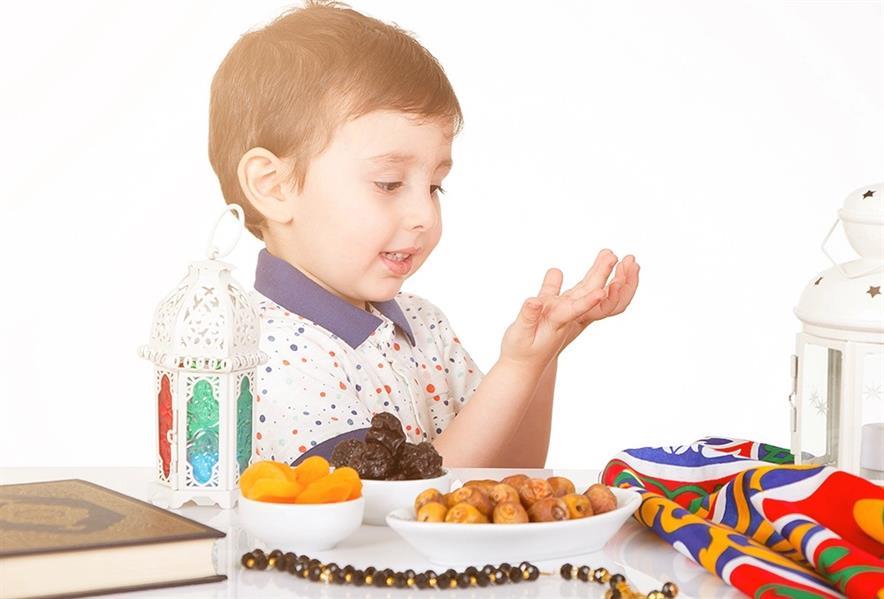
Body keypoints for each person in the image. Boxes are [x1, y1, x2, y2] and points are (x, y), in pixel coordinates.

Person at [207, 1, 639, 469]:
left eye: (434, 186)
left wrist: (539, 357)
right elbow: (392, 508)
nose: (424, 215)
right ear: (273, 186)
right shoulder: (266, 351)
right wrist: (514, 368)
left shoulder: (421, 324)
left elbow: (512, 469)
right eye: (389, 183)